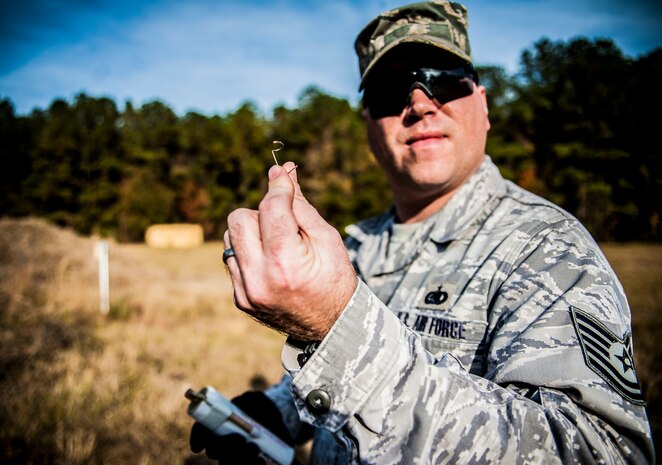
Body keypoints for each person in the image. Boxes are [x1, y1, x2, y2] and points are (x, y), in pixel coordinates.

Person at [190, 1, 655, 463]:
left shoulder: (548, 248)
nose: (418, 103)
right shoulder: (356, 245)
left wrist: (333, 323)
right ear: (370, 125)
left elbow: (597, 453)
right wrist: (276, 415)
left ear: (484, 105)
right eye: (392, 91)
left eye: (444, 79)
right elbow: (324, 388)